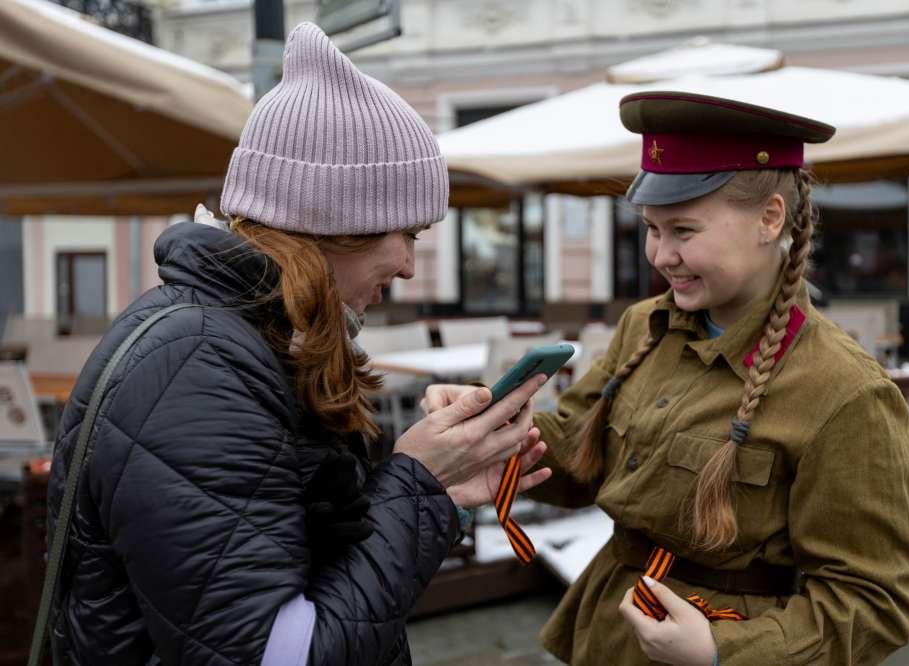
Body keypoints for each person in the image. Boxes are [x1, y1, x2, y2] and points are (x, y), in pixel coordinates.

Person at [45, 22, 551, 666]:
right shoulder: (200, 366)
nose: (408, 268)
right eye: (409, 235)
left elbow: (295, 553)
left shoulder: (246, 343)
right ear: (340, 222)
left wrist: (438, 484)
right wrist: (418, 483)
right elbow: (280, 654)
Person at [423, 92, 909, 665]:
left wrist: (720, 651)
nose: (660, 254)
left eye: (683, 229)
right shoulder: (645, 324)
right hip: (607, 632)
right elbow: (580, 458)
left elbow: (876, 603)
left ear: (769, 218)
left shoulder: (846, 393)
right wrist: (492, 430)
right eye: (651, 228)